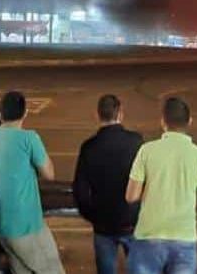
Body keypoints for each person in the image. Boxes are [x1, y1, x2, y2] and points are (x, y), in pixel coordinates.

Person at [0, 91, 65, 274]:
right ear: (25, 113)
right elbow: (49, 174)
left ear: (0, 115)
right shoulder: (28, 138)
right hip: (26, 225)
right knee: (52, 269)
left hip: (2, 227)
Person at [125, 97, 197, 274]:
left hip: (148, 236)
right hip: (184, 238)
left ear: (163, 122)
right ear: (189, 121)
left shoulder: (147, 151)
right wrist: (194, 232)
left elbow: (131, 196)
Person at [73, 94, 144, 274]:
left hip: (103, 225)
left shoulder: (89, 147)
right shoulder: (136, 142)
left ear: (97, 115)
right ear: (120, 114)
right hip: (133, 221)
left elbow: (80, 191)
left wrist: (92, 215)